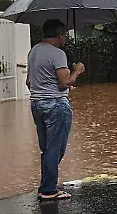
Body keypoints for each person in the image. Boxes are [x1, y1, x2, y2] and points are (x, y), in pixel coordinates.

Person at [27, 19, 84, 200]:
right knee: (56, 149)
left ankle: (45, 185)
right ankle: (49, 190)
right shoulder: (58, 54)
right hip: (56, 105)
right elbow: (64, 83)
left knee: (47, 147)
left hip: (36, 104)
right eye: (64, 35)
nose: (65, 39)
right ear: (59, 35)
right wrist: (77, 71)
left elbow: (29, 82)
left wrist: (43, 90)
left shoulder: (33, 51)